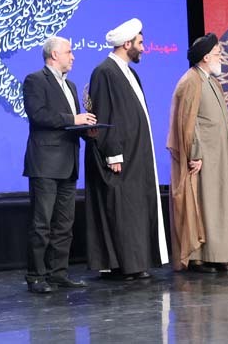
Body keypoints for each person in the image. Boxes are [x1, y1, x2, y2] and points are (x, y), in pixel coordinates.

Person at [84, 18, 169, 280]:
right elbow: (105, 114)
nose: (143, 48)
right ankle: (124, 265)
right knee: (122, 209)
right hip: (120, 156)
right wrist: (113, 154)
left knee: (133, 208)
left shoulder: (129, 73)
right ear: (127, 44)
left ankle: (134, 263)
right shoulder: (105, 71)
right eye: (140, 43)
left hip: (136, 155)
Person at [166, 33, 228, 273]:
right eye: (217, 53)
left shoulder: (210, 80)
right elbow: (187, 122)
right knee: (206, 206)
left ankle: (221, 254)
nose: (221, 57)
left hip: (219, 157)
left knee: (219, 205)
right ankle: (203, 257)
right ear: (205, 57)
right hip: (203, 159)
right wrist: (195, 153)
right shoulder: (191, 81)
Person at [22, 36, 98, 293]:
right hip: (45, 164)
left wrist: (88, 130)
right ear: (54, 54)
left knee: (64, 225)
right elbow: (38, 115)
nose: (73, 56)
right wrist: (74, 119)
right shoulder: (35, 80)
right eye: (69, 52)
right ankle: (36, 276)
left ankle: (58, 273)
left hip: (68, 163)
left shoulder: (71, 86)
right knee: (41, 224)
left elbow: (71, 125)